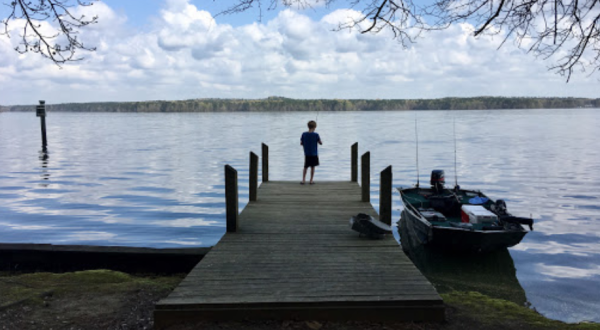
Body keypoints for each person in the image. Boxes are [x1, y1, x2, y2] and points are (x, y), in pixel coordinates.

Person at [300, 120, 322, 185]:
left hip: (307, 153)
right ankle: (311, 180)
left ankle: (303, 180)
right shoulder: (316, 135)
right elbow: (320, 143)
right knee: (312, 167)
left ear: (308, 126)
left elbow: (301, 143)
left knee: (305, 167)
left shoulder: (304, 134)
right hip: (314, 153)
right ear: (315, 127)